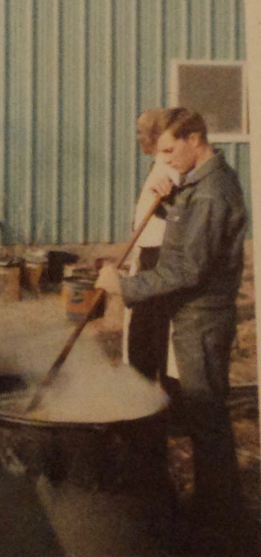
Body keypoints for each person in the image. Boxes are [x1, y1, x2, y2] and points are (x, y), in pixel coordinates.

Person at [96, 108, 247, 543]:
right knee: (204, 419)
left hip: (201, 318)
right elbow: (189, 238)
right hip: (192, 315)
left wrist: (123, 287)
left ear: (194, 138)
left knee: (207, 421)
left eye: (168, 151)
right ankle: (214, 515)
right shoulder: (197, 186)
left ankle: (221, 529)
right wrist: (167, 198)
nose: (164, 160)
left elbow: (187, 269)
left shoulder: (212, 193)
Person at [123, 109, 179, 381]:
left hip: (159, 256)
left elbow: (177, 212)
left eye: (141, 132)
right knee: (141, 330)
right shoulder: (159, 162)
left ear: (158, 135)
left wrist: (169, 199)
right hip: (146, 253)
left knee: (152, 331)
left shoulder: (171, 165)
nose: (137, 137)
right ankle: (142, 390)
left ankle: (157, 397)